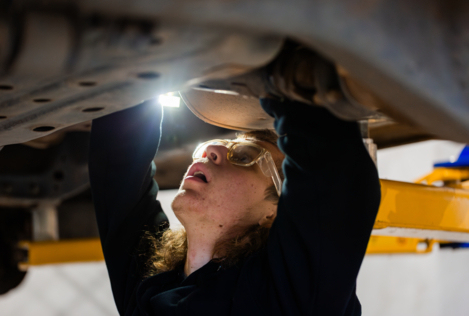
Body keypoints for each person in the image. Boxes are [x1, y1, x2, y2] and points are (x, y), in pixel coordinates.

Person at [89, 96, 381, 316]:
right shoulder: (156, 283)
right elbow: (338, 180)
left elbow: (116, 173)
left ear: (274, 212)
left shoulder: (286, 296)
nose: (211, 151)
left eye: (244, 157)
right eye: (223, 147)